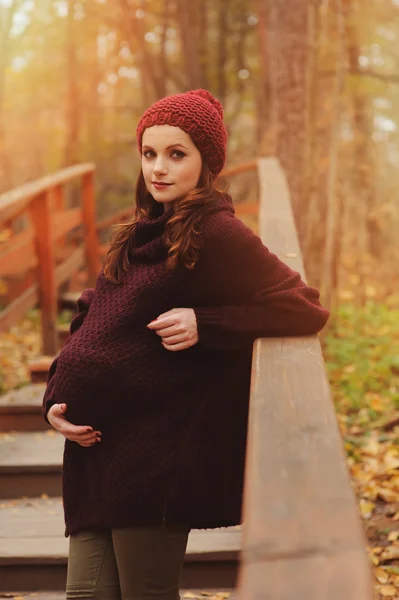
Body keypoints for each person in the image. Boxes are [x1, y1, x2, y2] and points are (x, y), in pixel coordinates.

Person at [43, 89, 329, 600]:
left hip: (151, 457)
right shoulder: (137, 231)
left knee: (144, 593)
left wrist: (207, 323)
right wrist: (54, 402)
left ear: (207, 162)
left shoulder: (217, 233)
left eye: (177, 154)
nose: (159, 168)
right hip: (92, 455)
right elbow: (91, 314)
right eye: (149, 154)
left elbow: (302, 305)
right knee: (84, 596)